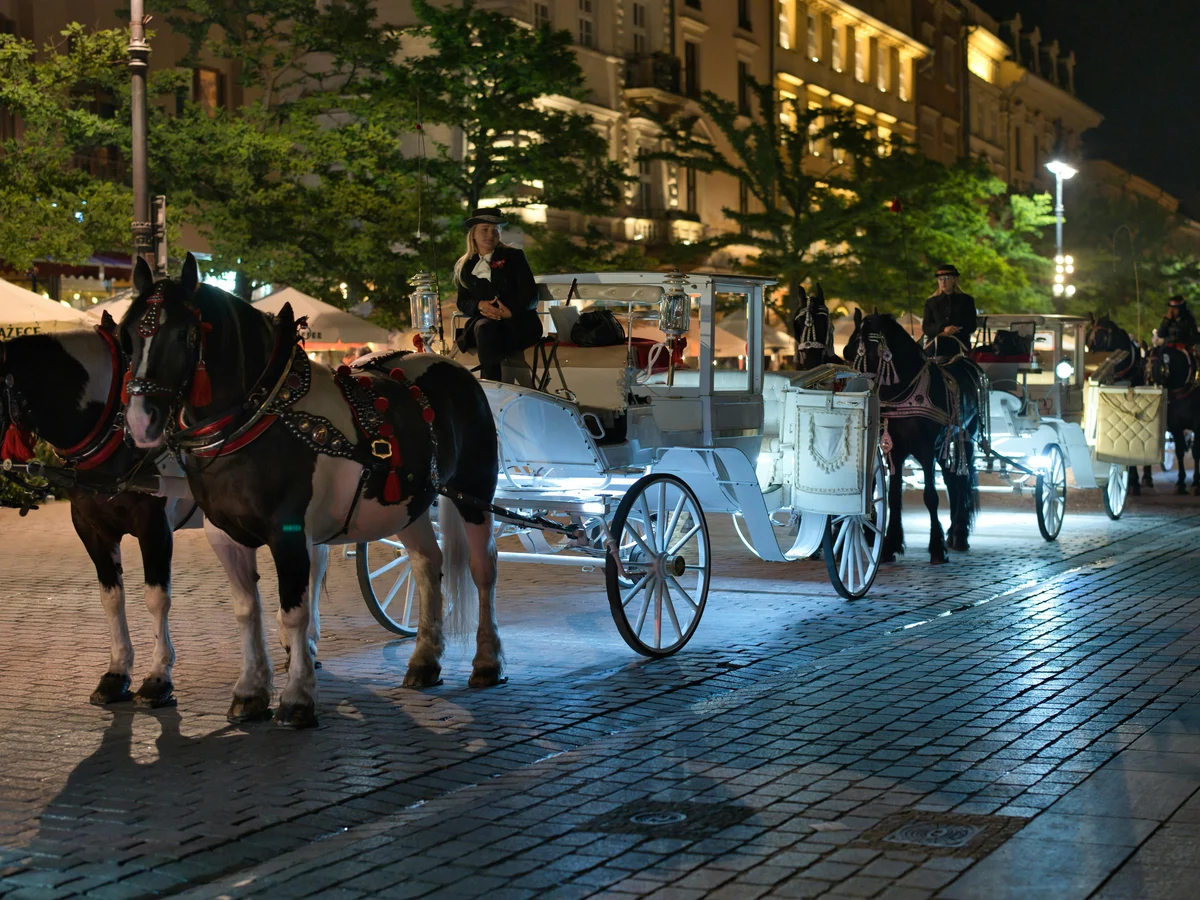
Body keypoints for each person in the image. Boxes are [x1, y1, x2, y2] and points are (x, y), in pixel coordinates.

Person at [453, 208, 543, 381]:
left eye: (495, 230)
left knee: (487, 333)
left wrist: (509, 312)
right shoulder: (465, 265)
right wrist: (479, 305)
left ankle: (492, 385)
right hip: (487, 326)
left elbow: (531, 296)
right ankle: (492, 383)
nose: (490, 234)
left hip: (518, 324)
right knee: (485, 328)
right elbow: (462, 302)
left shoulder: (514, 257)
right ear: (473, 234)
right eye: (484, 229)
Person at [922, 263, 977, 359]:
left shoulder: (966, 300)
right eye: (940, 279)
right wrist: (943, 330)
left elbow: (972, 325)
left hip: (959, 347)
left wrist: (954, 330)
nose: (943, 282)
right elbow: (926, 327)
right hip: (935, 349)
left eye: (946, 278)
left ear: (954, 279)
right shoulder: (931, 302)